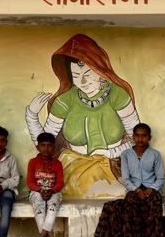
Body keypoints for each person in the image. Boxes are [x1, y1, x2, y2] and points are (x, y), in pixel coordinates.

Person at [26, 33, 140, 197]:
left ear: (100, 70)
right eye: (77, 76)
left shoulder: (118, 95)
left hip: (114, 169)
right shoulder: (64, 101)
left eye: (88, 74)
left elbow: (137, 141)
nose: (83, 82)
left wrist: (111, 153)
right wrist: (31, 116)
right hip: (74, 170)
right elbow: (46, 144)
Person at [94, 123, 165, 237]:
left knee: (154, 210)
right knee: (129, 211)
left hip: (151, 191)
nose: (140, 139)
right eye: (137, 135)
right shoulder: (126, 155)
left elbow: (161, 177)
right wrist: (136, 190)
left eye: (144, 135)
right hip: (133, 191)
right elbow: (126, 178)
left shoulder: (155, 155)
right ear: (133, 137)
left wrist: (151, 189)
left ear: (149, 137)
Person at [26, 132, 64, 237]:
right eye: (43, 145)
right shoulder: (33, 162)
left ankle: (42, 235)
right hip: (37, 192)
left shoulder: (57, 164)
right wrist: (40, 190)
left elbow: (60, 183)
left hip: (53, 191)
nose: (46, 148)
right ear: (38, 147)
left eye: (49, 145)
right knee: (38, 203)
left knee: (53, 205)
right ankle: (45, 235)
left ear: (53, 147)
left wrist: (52, 191)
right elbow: (30, 182)